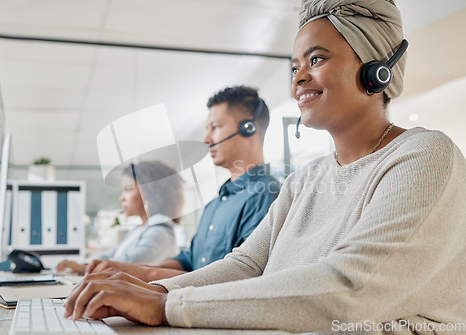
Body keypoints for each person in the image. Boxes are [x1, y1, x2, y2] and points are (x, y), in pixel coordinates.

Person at [64, 1, 466, 333]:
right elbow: (247, 265)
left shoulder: (425, 156)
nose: (298, 78)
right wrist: (153, 293)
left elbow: (351, 288)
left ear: (378, 69)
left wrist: (166, 304)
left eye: (317, 58)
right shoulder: (305, 180)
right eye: (295, 66)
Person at [82, 85, 281, 281]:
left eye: (216, 127)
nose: (206, 139)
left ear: (249, 128)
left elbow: (241, 276)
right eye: (207, 129)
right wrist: (133, 268)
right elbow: (189, 260)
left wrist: (146, 273)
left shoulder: (265, 195)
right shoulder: (215, 204)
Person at [56, 161, 183, 275]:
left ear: (150, 191)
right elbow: (110, 255)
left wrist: (86, 268)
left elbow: (131, 263)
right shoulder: (138, 229)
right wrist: (83, 265)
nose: (121, 198)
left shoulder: (161, 230)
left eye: (128, 189)